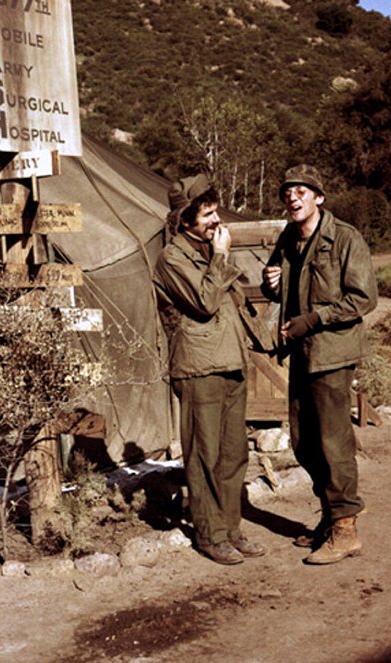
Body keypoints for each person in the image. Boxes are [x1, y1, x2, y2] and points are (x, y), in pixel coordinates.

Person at [262, 164, 377, 565]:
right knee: (302, 440)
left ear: (319, 197)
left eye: (301, 192)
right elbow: (276, 287)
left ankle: (346, 529)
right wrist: (269, 282)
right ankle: (330, 517)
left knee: (333, 441)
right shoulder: (289, 239)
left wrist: (315, 318)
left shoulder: (344, 238)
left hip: (333, 353)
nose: (292, 198)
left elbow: (363, 298)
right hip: (301, 354)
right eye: (287, 193)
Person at [153, 174, 265, 565]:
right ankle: (210, 534)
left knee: (234, 455)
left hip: (230, 362)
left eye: (216, 212)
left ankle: (231, 529)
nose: (217, 221)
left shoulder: (206, 251)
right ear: (185, 221)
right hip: (199, 367)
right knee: (204, 455)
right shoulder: (172, 258)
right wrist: (220, 258)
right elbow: (204, 302)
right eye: (207, 214)